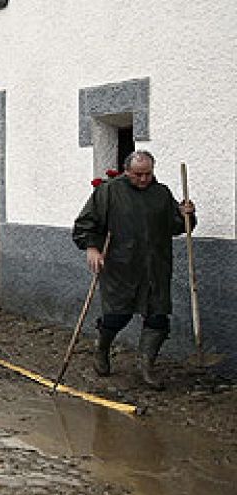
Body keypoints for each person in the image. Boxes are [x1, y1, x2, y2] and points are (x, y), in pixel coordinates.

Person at [72, 150, 196, 389]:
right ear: (127, 170)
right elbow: (85, 224)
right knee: (118, 315)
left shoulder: (161, 193)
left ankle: (146, 366)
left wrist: (186, 215)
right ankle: (102, 349)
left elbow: (176, 226)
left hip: (155, 267)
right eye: (138, 174)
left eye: (148, 174)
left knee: (158, 317)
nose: (143, 179)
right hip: (121, 266)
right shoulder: (108, 191)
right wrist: (91, 248)